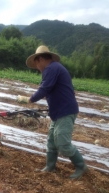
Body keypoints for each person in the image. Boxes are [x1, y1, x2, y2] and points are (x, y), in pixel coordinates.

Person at [24, 45, 88, 179]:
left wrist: (30, 99)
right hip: (59, 112)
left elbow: (44, 89)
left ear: (39, 59)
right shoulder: (54, 68)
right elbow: (52, 90)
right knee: (52, 141)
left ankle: (81, 166)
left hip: (65, 111)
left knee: (62, 143)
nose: (37, 68)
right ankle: (50, 167)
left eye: (36, 65)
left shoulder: (51, 68)